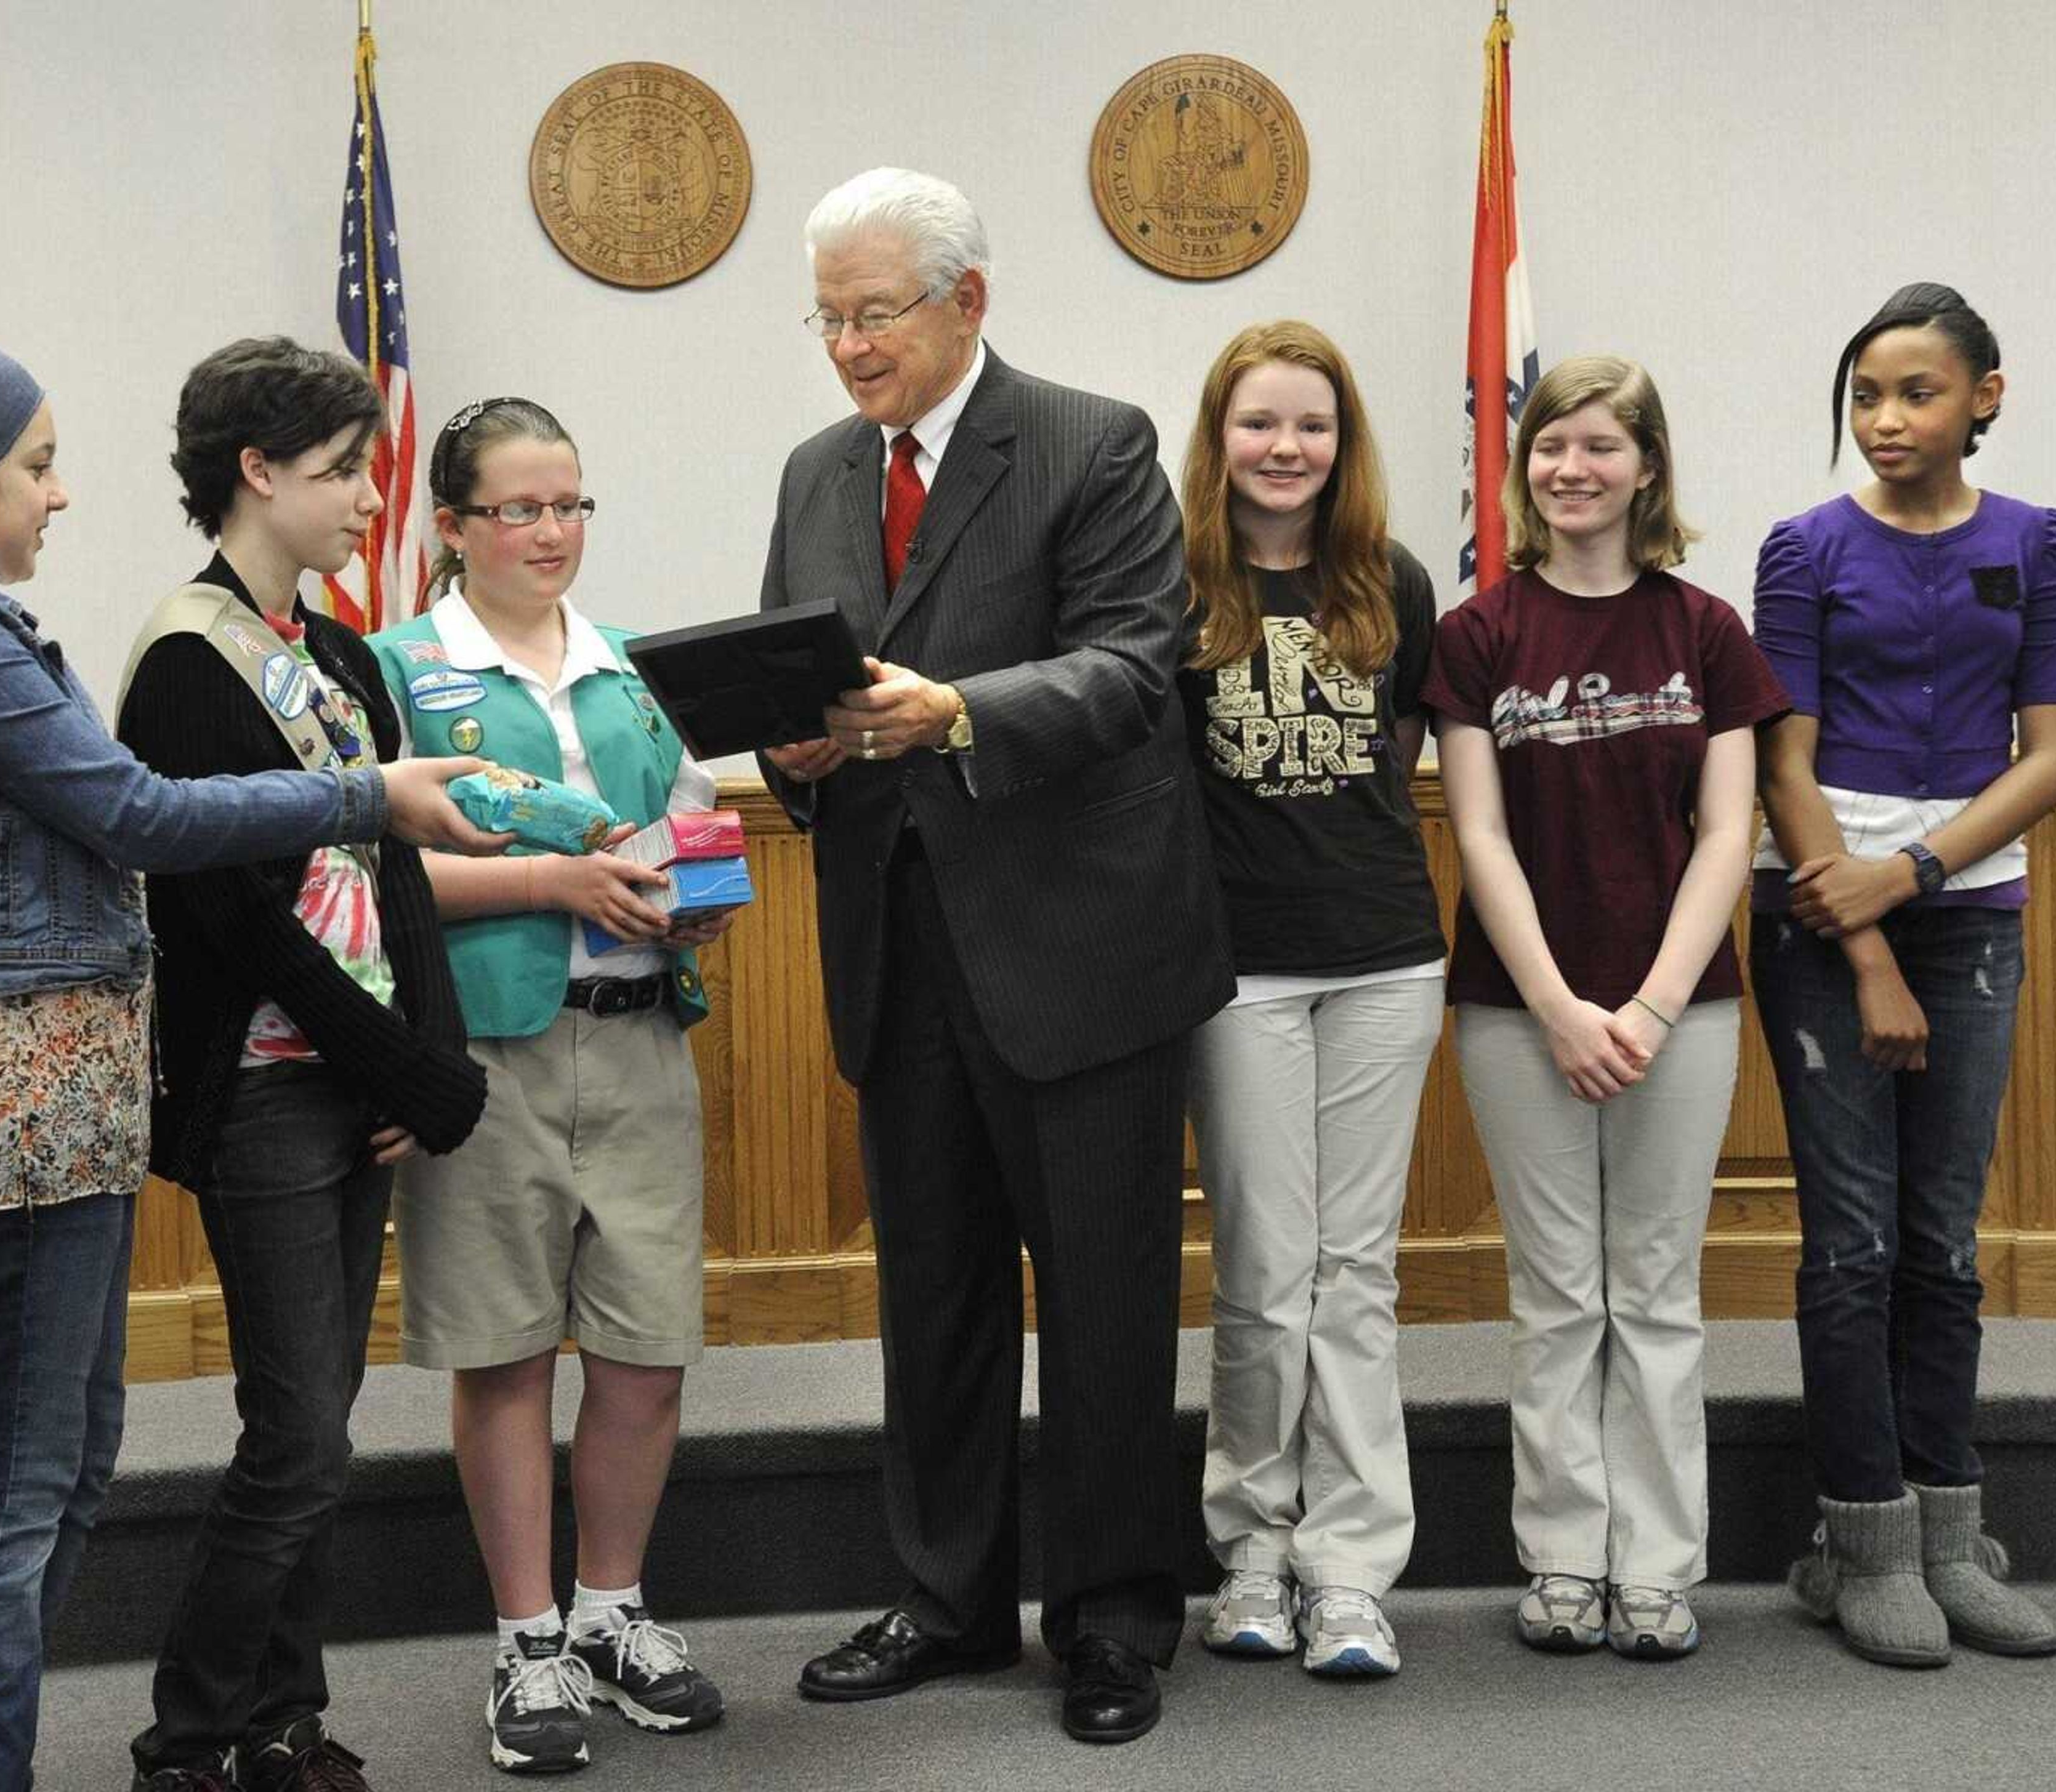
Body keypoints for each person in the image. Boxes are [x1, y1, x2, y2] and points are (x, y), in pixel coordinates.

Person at [0, 330, 501, 1792]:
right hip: (14, 1092)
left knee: (54, 1470)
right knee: (13, 1487)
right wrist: (370, 791)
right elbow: (132, 809)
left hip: (43, 1088)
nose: (59, 497)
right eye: (34, 467)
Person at [759, 167, 1233, 1745]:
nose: (846, 346)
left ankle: (1111, 1619)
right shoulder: (819, 472)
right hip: (896, 946)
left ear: (967, 300)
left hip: (1078, 944)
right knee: (935, 1291)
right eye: (826, 316)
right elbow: (793, 679)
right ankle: (950, 1599)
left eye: (871, 311)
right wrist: (794, 757)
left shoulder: (1095, 444)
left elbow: (1129, 665)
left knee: (1102, 1300)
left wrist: (959, 709)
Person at [116, 337, 493, 1792]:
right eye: (342, 471)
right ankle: (190, 1732)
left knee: (322, 1427)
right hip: (269, 1087)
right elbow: (239, 925)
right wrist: (399, 1064)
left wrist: (422, 1057)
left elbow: (391, 872)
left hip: (361, 1076)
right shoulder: (187, 662)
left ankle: (285, 1718)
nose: (367, 497)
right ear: (255, 474)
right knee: (293, 1437)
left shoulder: (337, 651)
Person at [367, 396, 731, 1776]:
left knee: (647, 1349)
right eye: (517, 509)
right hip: (488, 1053)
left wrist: (698, 897)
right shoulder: (396, 669)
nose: (550, 532)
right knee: (507, 1344)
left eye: (571, 504)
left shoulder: (631, 665)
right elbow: (369, 871)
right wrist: (552, 880)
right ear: (451, 528)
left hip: (638, 1036)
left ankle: (612, 1612)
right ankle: (525, 1638)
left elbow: (689, 824)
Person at [1423, 355, 1788, 1661]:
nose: (1571, 470)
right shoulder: (1478, 635)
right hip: (1518, 1011)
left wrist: (1647, 1003)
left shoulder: (1703, 630)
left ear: (1647, 466)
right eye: (1548, 449)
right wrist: (1564, 1009)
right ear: (1524, 472)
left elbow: (1728, 831)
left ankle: (1660, 1564)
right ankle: (1567, 1556)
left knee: (1656, 1288)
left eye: (1599, 447)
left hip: (1681, 1012)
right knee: (1558, 1293)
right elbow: (1478, 834)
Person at [1752, 283, 2056, 1668]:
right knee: (1853, 1247)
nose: (1887, 420)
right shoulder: (1804, 547)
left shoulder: (2038, 542)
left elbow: (2053, 752)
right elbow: (1783, 759)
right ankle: (1863, 1537)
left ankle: (1953, 1535)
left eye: (1918, 394)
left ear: (1985, 398)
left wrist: (1924, 877)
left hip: (1970, 914)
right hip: (1826, 919)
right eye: (1867, 398)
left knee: (1946, 1244)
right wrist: (1870, 935)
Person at [1174, 321, 1443, 1678]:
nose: (1287, 449)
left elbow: (1392, 765)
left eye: (1313, 427)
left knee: (1361, 1276)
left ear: (1345, 445)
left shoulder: (1389, 581)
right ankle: (1251, 1553)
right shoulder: (1171, 592)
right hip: (1242, 980)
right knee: (1266, 1279)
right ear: (1218, 435)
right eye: (1260, 422)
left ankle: (1350, 1569)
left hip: (1388, 961)